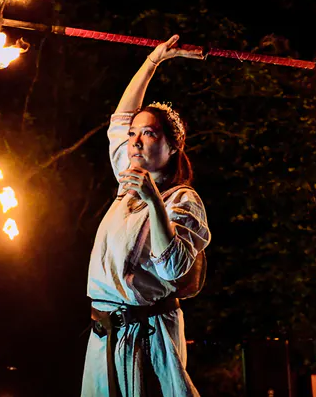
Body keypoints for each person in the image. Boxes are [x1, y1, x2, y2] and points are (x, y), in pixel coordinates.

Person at [82, 35, 212, 396]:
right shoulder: (128, 187)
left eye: (149, 134)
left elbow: (173, 268)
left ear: (172, 147)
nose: (135, 141)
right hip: (106, 334)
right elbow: (119, 120)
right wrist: (153, 61)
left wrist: (153, 200)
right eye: (134, 134)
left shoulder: (182, 200)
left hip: (148, 338)